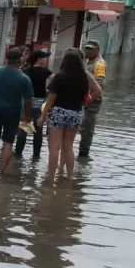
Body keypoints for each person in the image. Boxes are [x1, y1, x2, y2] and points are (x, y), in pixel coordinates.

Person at [39, 48, 103, 182]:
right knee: (68, 147)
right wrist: (86, 102)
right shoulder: (85, 76)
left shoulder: (59, 76)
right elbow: (98, 91)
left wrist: (43, 116)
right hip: (76, 113)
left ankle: (50, 179)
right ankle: (68, 178)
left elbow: (51, 98)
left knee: (54, 147)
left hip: (58, 112)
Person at [0, 47, 33, 175]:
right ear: (20, 59)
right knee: (8, 143)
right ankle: (1, 173)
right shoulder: (24, 78)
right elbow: (28, 100)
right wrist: (28, 116)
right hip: (13, 112)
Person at [14, 49, 52, 159]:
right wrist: (49, 91)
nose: (46, 60)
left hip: (26, 102)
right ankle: (36, 156)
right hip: (40, 103)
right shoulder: (45, 71)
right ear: (39, 59)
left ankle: (18, 154)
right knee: (38, 130)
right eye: (45, 58)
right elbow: (56, 81)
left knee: (23, 128)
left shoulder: (25, 71)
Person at [78, 40, 106, 158]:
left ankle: (84, 154)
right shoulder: (88, 62)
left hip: (92, 100)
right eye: (86, 49)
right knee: (83, 127)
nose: (88, 51)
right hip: (86, 98)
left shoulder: (99, 64)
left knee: (87, 129)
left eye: (91, 49)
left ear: (97, 50)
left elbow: (100, 84)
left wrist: (88, 98)